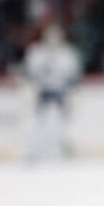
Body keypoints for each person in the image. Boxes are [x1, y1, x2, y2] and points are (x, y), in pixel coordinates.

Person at [22, 22, 82, 159]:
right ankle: (33, 150)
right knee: (38, 121)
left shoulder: (67, 53)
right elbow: (29, 71)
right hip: (42, 91)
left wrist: (68, 83)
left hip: (60, 92)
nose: (53, 39)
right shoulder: (37, 51)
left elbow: (73, 73)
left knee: (64, 121)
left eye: (56, 36)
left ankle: (65, 148)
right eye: (50, 36)